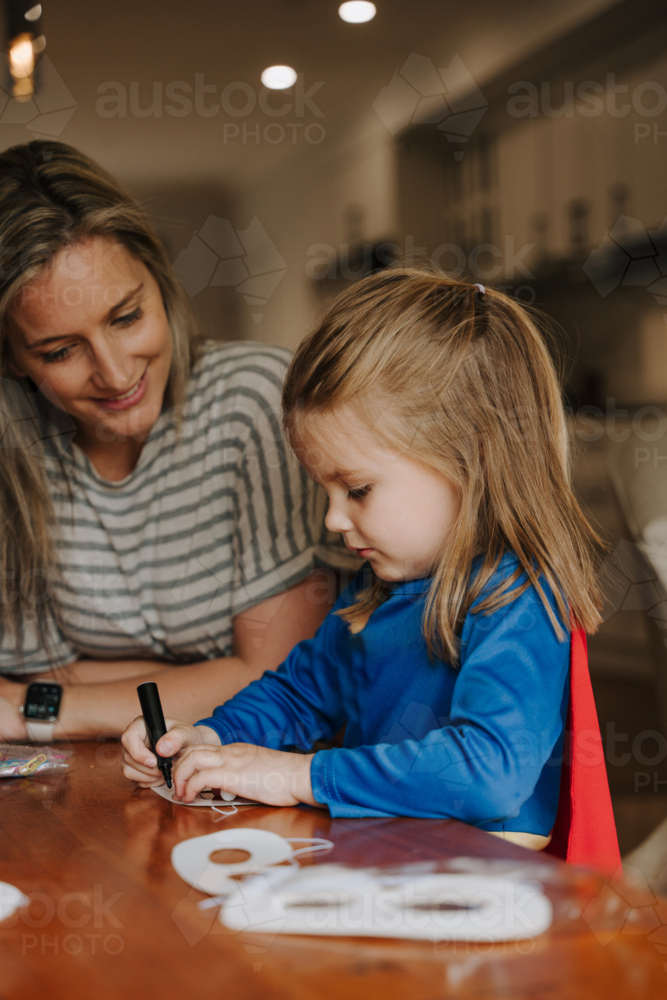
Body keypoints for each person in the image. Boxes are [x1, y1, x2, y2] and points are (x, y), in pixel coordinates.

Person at [121, 269, 605, 846]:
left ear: (469, 459)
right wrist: (209, 738)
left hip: (481, 888)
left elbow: (488, 772)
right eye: (323, 490)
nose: (333, 519)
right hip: (385, 858)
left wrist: (303, 775)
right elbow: (299, 694)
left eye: (357, 489)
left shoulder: (516, 596)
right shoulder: (374, 589)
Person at [0, 140, 358, 740]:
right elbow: (36, 668)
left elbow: (275, 683)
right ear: (11, 360)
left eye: (126, 317)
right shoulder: (16, 451)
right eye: (60, 350)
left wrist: (30, 709)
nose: (116, 375)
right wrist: (199, 678)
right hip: (116, 778)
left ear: (160, 280)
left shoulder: (256, 402)